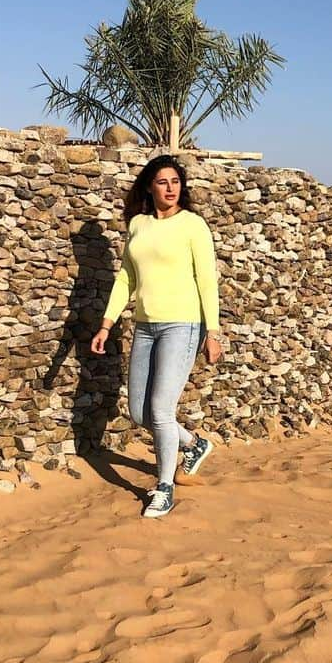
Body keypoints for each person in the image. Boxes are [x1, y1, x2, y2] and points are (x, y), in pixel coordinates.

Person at [91, 155, 224, 517]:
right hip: (146, 327)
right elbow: (126, 279)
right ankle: (194, 444)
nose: (170, 188)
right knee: (139, 412)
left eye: (176, 182)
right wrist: (107, 323)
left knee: (162, 410)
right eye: (163, 182)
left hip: (183, 325)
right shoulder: (138, 225)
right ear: (150, 186)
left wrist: (213, 332)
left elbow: (206, 280)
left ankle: (164, 487)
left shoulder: (192, 225)